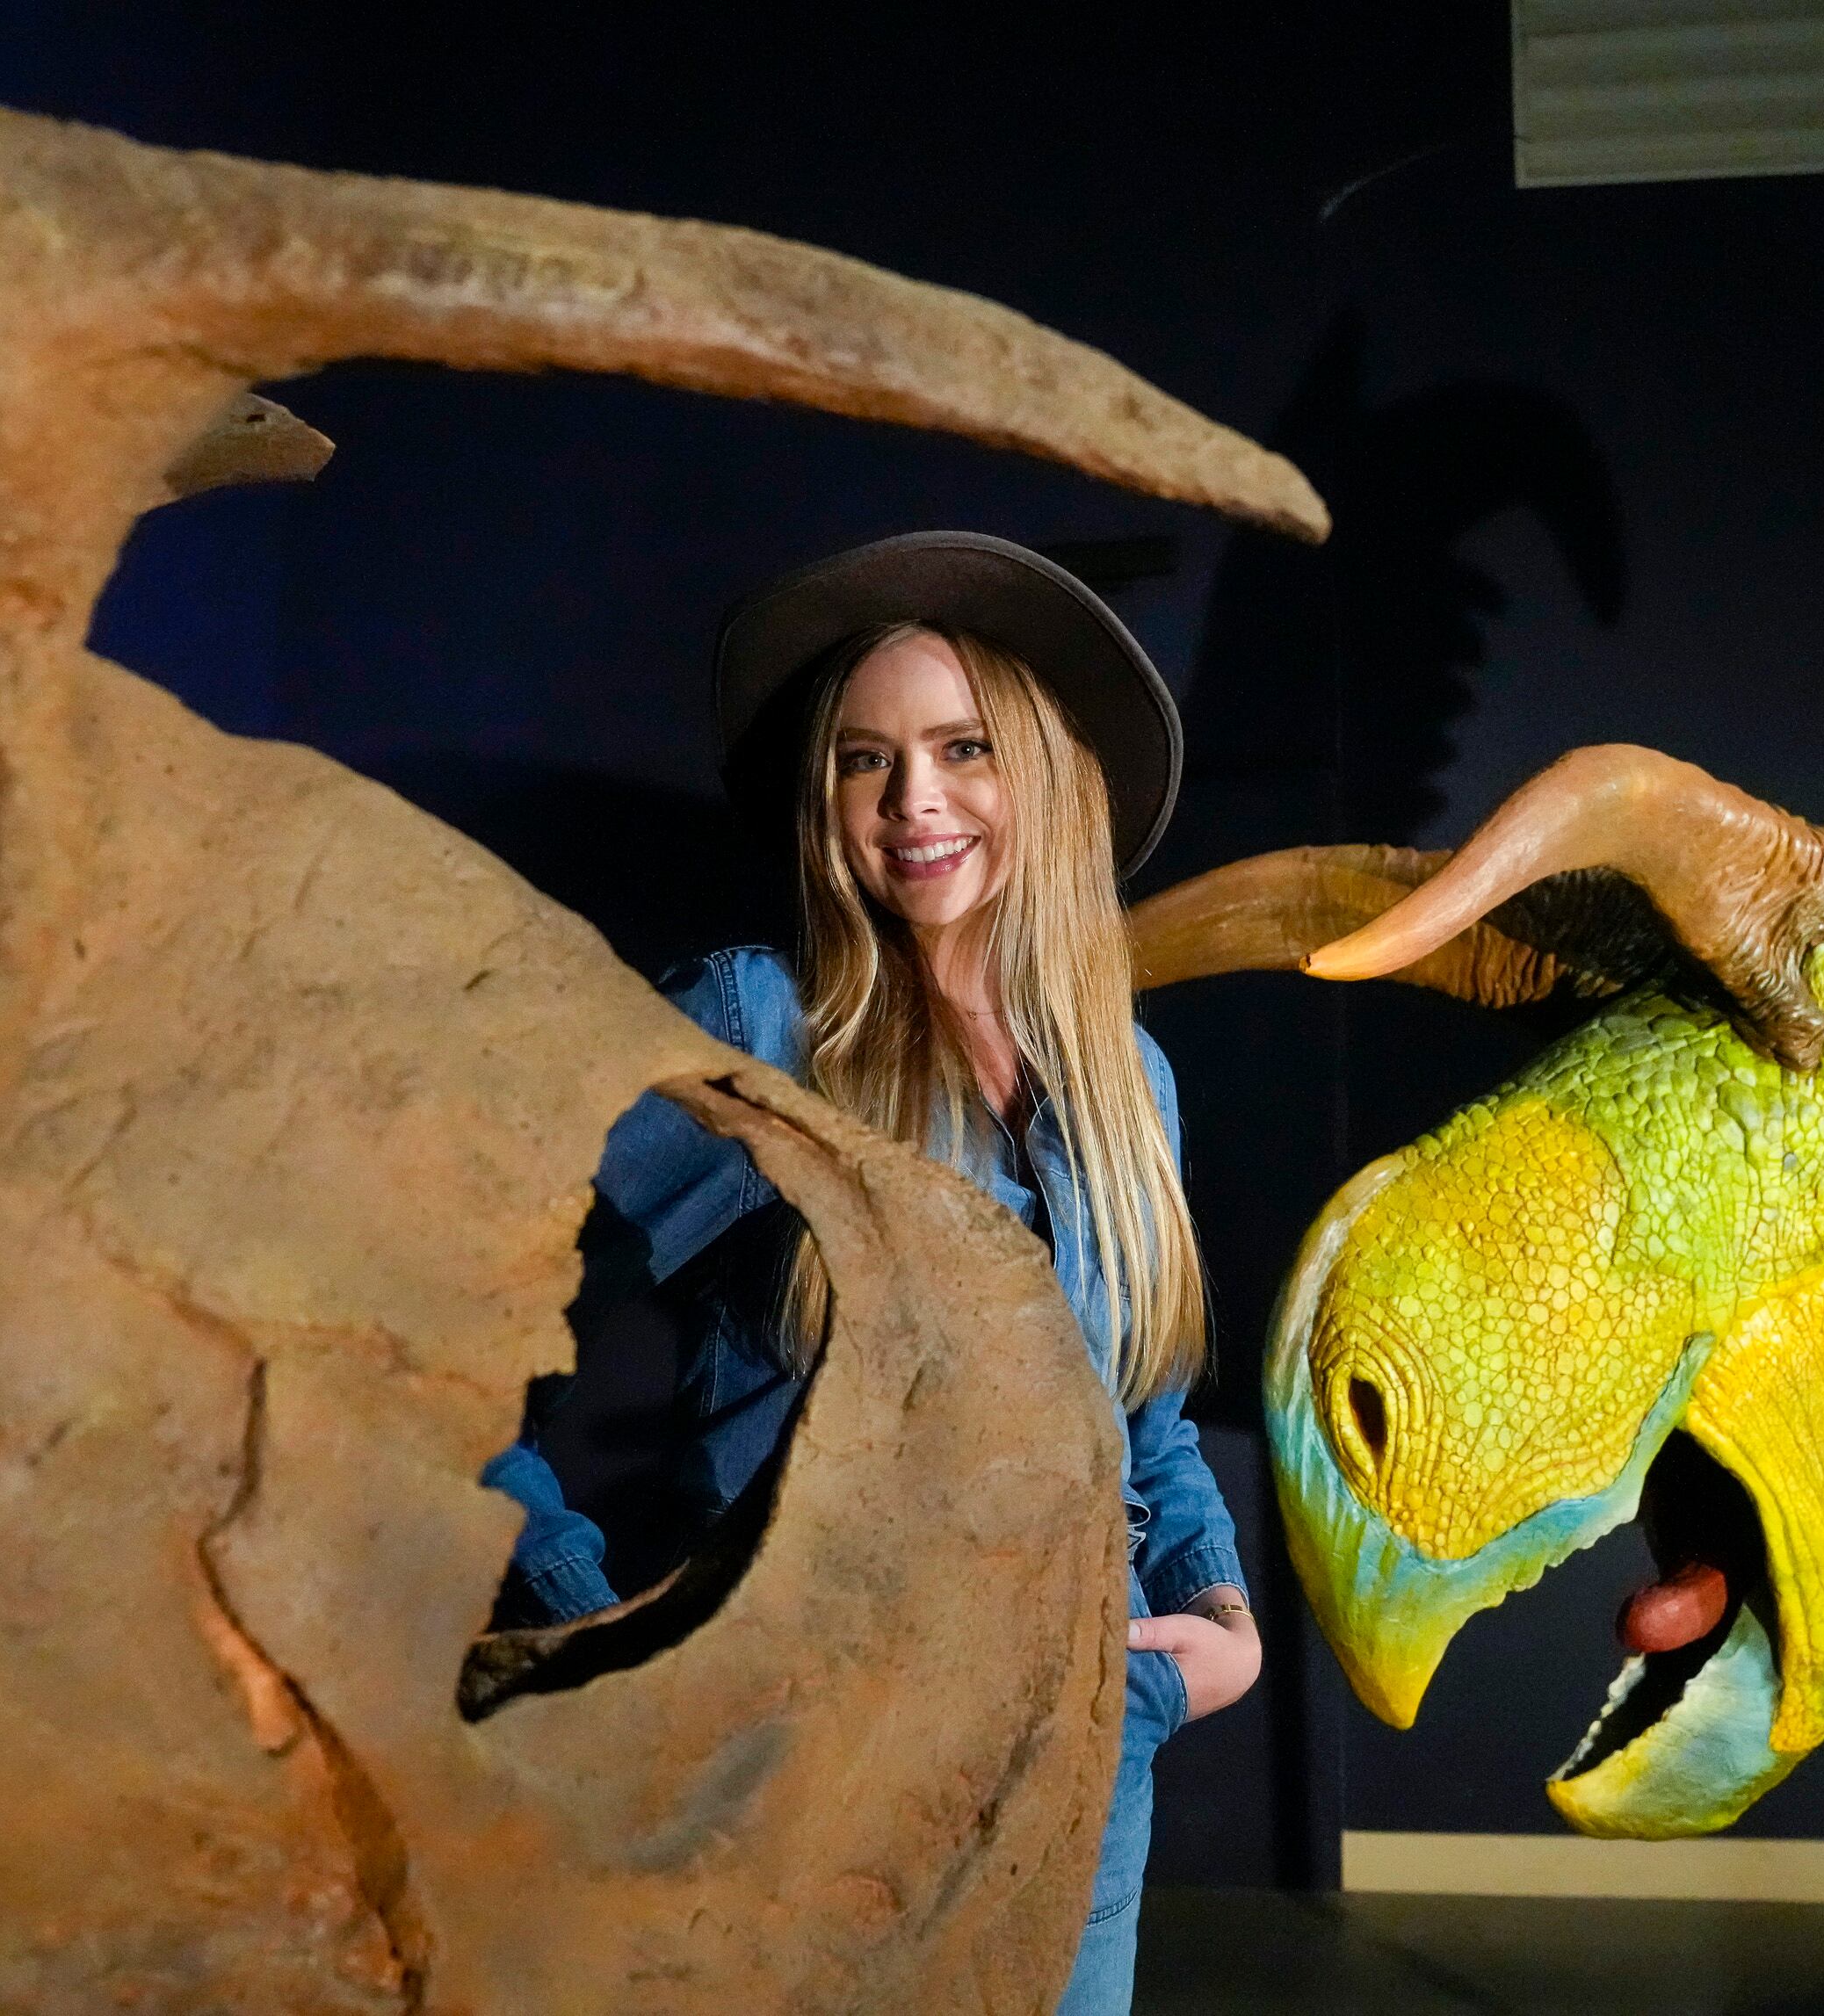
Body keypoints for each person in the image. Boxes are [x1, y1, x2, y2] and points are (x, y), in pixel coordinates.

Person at [482, 531, 1259, 2013]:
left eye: (964, 747)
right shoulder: (758, 1031)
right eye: (864, 760)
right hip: (804, 1779)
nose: (915, 801)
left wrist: (1213, 1633)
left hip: (1091, 1757)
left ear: (1045, 775)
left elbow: (1140, 1422)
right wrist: (592, 1619)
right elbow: (439, 1313)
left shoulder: (1128, 1079)